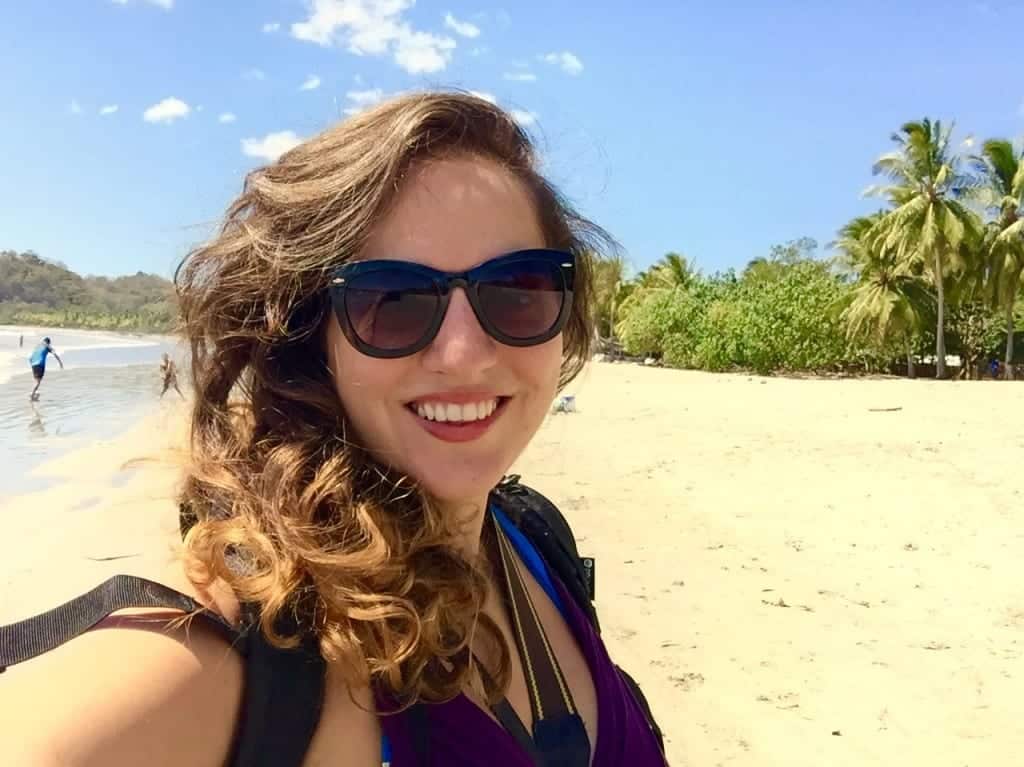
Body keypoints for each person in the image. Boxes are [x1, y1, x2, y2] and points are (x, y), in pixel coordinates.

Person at [0, 93, 666, 766]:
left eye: (515, 291)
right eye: (393, 301)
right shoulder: (268, 642)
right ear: (313, 335)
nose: (464, 353)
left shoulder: (535, 537)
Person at [27, 336, 63, 400]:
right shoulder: (47, 346)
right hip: (40, 364)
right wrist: (60, 362)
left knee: (36, 380)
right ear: (48, 343)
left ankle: (33, 393)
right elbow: (54, 354)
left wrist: (32, 364)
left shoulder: (37, 346)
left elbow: (30, 358)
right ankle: (32, 395)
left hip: (33, 364)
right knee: (38, 382)